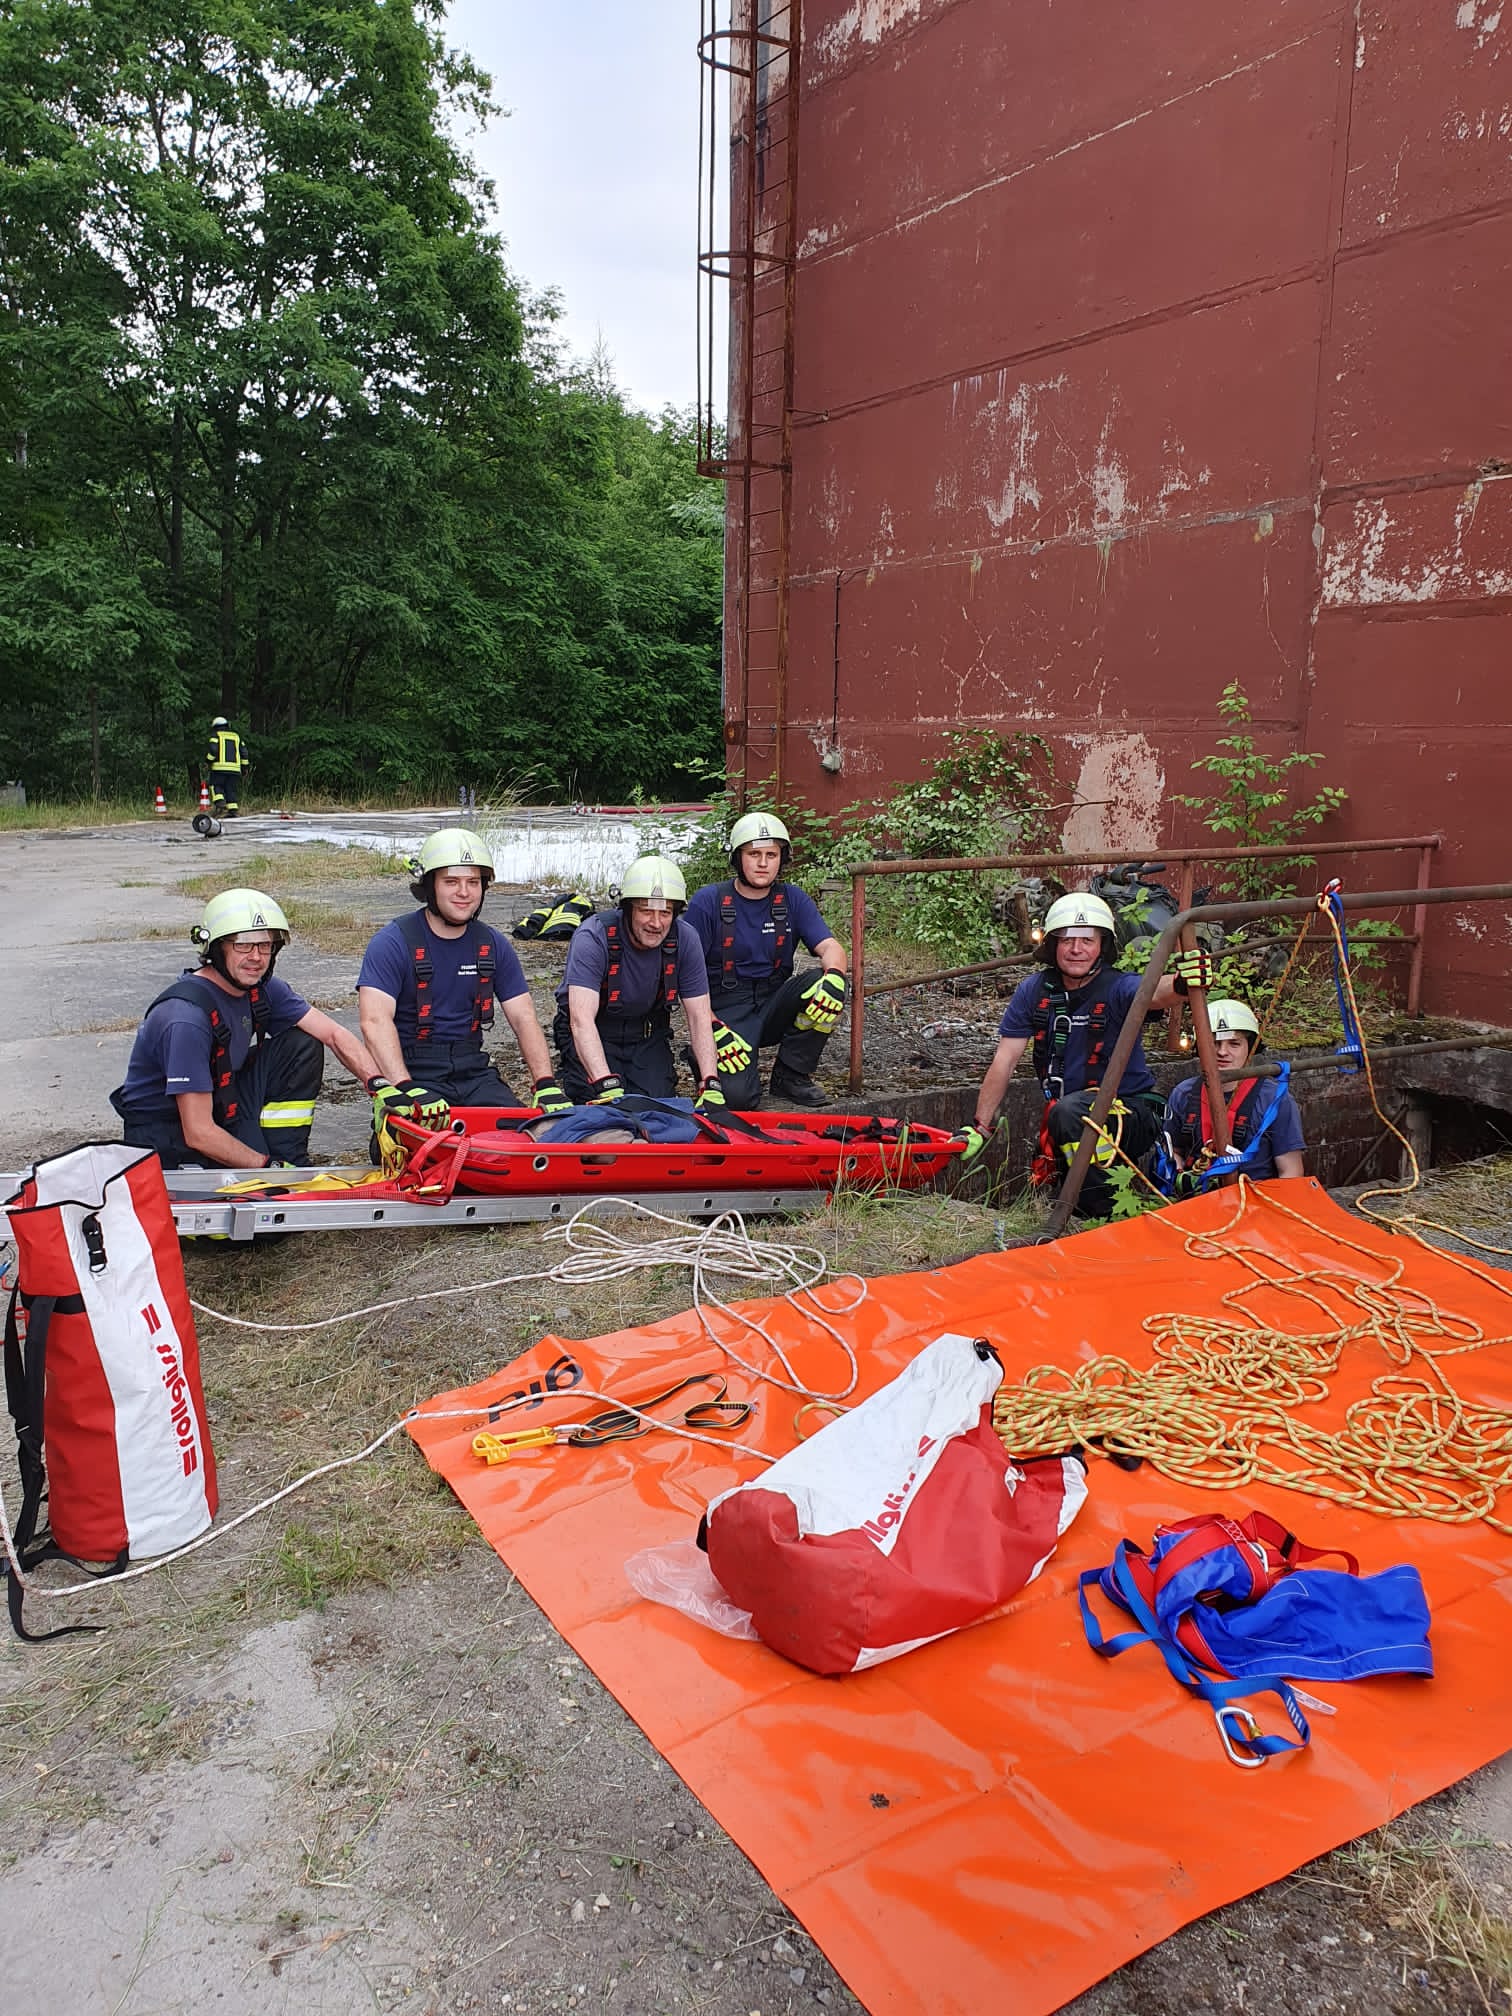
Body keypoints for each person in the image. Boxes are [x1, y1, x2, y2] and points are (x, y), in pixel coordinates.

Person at [958, 891, 1212, 1219]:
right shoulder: (1035, 991)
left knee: (1068, 1116)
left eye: (1087, 941)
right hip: (1071, 1117)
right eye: (1067, 940)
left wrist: (1181, 983)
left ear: (1102, 946)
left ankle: (1103, 1219)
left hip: (1131, 1113)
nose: (1076, 949)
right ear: (1052, 946)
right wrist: (980, 1126)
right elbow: (1005, 1061)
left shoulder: (1119, 987)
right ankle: (1085, 1211)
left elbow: (1153, 992)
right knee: (1066, 1119)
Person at [111, 889, 381, 1169]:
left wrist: (379, 1085)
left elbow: (333, 1035)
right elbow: (199, 1133)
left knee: (302, 1043)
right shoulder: (185, 1019)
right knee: (257, 1187)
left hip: (223, 1103)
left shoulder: (260, 989)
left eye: (265, 946)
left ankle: (289, 1160)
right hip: (169, 1134)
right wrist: (266, 1167)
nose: (257, 957)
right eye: (243, 945)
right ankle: (274, 1166)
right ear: (216, 948)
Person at [357, 829, 568, 1129]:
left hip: (473, 1071)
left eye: (473, 882)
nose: (464, 892)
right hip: (413, 1070)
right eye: (451, 882)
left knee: (530, 1134)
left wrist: (545, 1082)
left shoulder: (493, 944)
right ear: (429, 886)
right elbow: (374, 1022)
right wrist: (403, 1087)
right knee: (421, 1147)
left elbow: (523, 1017)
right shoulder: (391, 943)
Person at [685, 812, 848, 1109]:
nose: (763, 863)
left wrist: (836, 975)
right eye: (754, 854)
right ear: (737, 858)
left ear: (781, 859)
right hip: (726, 1012)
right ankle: (702, 1053)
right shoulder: (708, 901)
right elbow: (686, 976)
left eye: (771, 855)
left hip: (773, 1002)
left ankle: (791, 1075)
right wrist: (709, 1025)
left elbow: (831, 947)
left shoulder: (793, 899)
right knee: (737, 1100)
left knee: (827, 984)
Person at [554, 855, 721, 1105]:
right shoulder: (593, 936)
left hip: (646, 1035)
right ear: (628, 908)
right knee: (603, 1110)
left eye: (665, 913)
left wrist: (710, 1083)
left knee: (656, 1106)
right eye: (646, 911)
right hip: (595, 1032)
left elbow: (699, 1016)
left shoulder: (685, 939)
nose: (655, 923)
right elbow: (580, 1020)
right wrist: (604, 1083)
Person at [1162, 999, 1305, 1186]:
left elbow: (1291, 1172)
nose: (1223, 1052)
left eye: (1234, 1044)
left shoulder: (1274, 1099)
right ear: (1200, 1048)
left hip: (1255, 1201)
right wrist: (1178, 1175)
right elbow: (1174, 1151)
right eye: (1214, 1043)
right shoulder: (1184, 1094)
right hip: (1199, 1200)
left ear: (1250, 1047)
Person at [204, 715, 246, 816]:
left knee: (215, 785)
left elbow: (213, 751)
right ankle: (233, 811)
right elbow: (244, 753)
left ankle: (220, 802)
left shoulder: (216, 736)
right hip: (235, 770)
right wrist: (245, 768)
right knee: (230, 789)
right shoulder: (236, 737)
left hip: (219, 768)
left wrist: (208, 761)